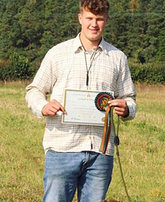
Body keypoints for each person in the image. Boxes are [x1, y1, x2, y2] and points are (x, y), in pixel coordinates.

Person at [25, 0, 136, 201]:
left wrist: (126, 108)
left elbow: (129, 99)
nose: (94, 24)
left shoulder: (118, 58)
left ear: (106, 20)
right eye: (90, 18)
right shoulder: (57, 53)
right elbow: (34, 90)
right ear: (80, 18)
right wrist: (43, 106)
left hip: (101, 154)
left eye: (99, 19)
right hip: (62, 148)